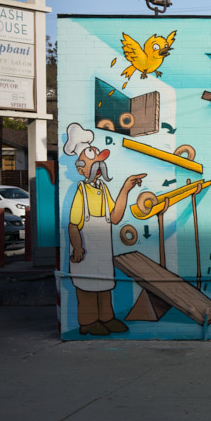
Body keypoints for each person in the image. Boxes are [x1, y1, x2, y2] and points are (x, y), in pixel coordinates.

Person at [64, 123, 146, 336]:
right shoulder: (81, 192)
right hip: (86, 254)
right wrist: (78, 248)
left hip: (102, 253)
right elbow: (73, 225)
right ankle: (88, 322)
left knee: (105, 288)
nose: (99, 165)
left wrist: (126, 188)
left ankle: (106, 318)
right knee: (87, 289)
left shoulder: (102, 188)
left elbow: (115, 217)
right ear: (81, 168)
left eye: (99, 161)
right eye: (94, 161)